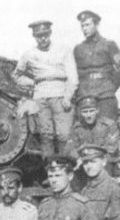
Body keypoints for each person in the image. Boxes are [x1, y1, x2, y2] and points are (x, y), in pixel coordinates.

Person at [13, 21, 79, 156]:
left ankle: (65, 169)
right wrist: (32, 83)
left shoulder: (63, 50)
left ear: (50, 34)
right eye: (38, 36)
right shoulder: (29, 54)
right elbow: (16, 75)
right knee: (46, 135)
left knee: (64, 135)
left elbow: (73, 76)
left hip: (60, 95)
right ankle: (50, 168)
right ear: (34, 36)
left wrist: (68, 96)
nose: (42, 39)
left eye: (45, 35)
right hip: (40, 97)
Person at [73, 10, 120, 122]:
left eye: (88, 25)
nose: (84, 29)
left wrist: (109, 88)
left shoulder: (109, 45)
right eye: (82, 26)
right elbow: (75, 73)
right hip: (85, 95)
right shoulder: (78, 49)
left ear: (96, 24)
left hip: (105, 96)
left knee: (108, 126)